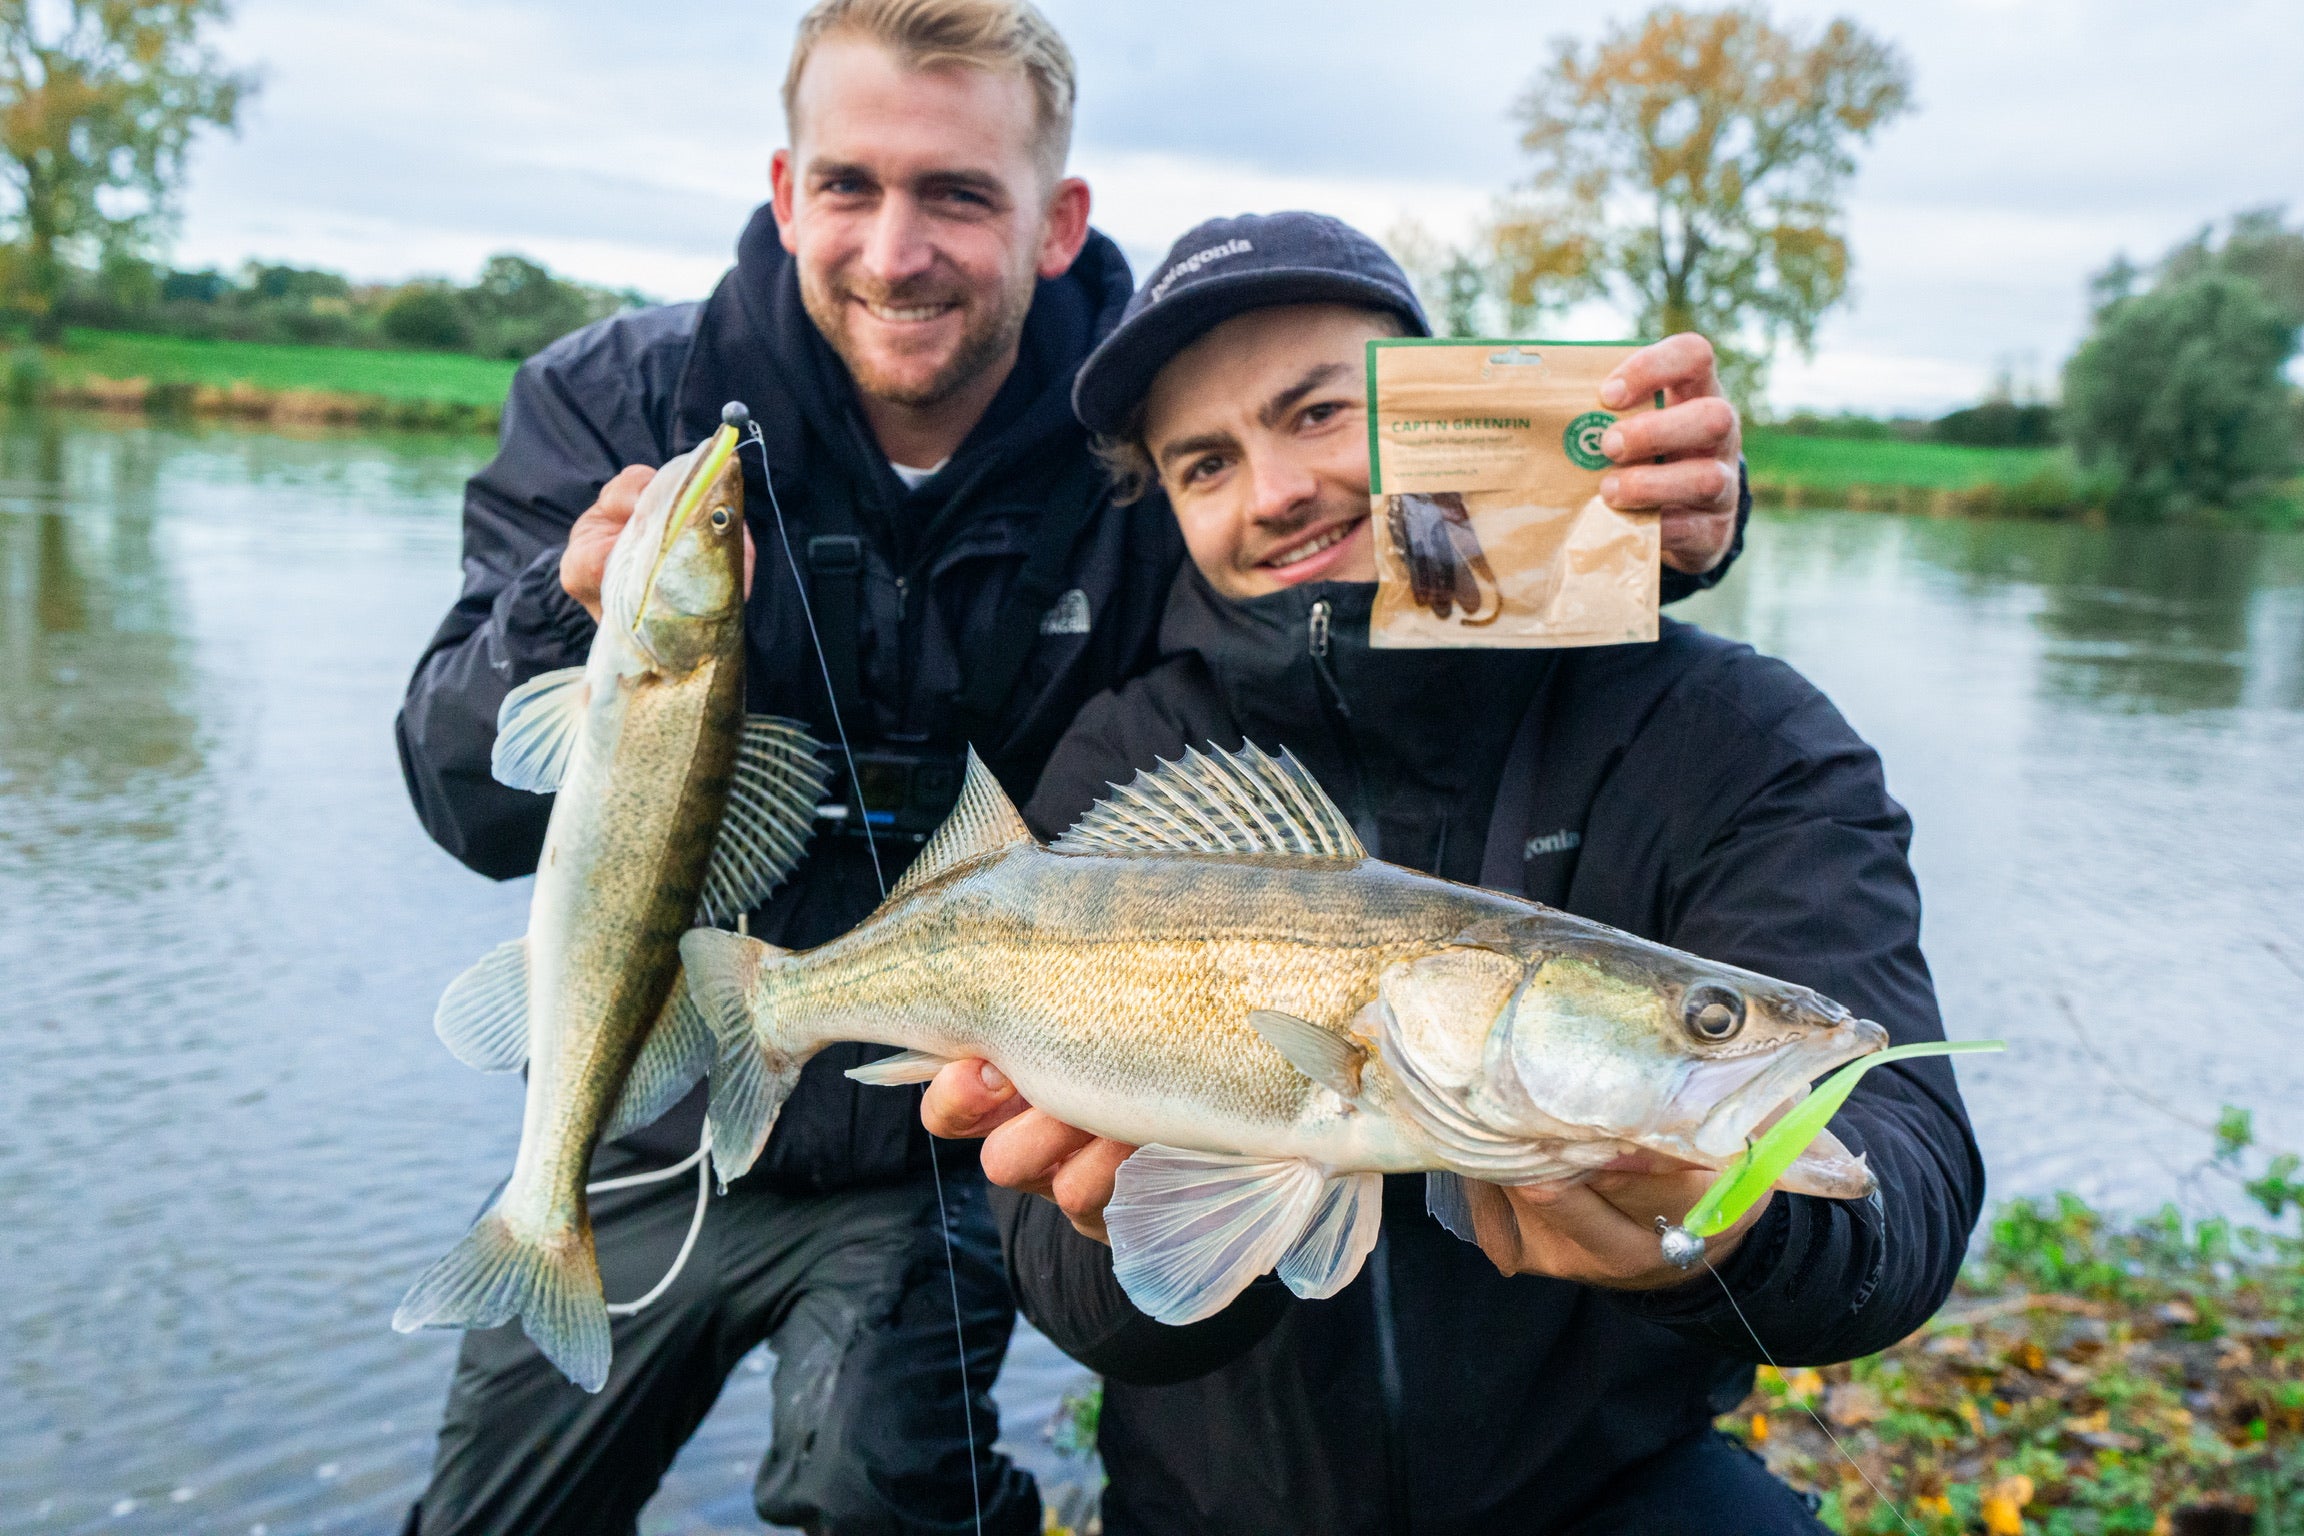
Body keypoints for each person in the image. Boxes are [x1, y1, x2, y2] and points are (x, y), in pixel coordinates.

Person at [920, 212, 1986, 1533]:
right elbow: (1071, 1289)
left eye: (1318, 413)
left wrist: (1722, 1233)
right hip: (1211, 1506)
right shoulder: (1132, 752)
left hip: (1610, 1493)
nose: (1274, 491)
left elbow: (1902, 1175)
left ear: (1445, 411)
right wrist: (1121, 1228)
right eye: (1204, 464)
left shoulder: (1734, 735)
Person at [391, 4, 1186, 1532]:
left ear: (1057, 220)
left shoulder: (1152, 445)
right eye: (851, 186)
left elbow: (1344, 609)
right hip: (639, 1105)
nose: (896, 252)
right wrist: (562, 613)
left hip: (928, 1132)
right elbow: (461, 799)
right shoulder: (616, 403)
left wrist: (1632, 533)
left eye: (959, 194)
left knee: (881, 1494)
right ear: (783, 189)